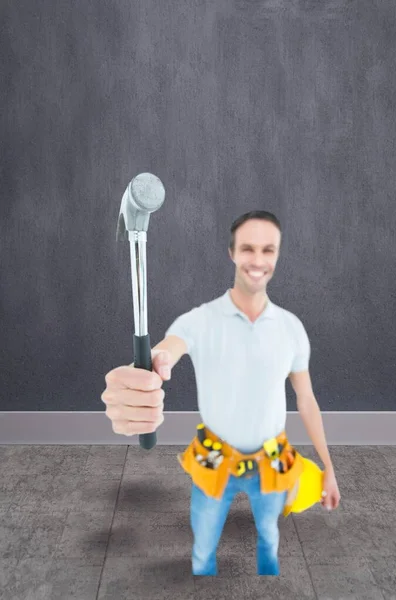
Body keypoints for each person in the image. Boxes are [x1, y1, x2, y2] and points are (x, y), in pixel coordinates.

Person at [101, 210, 341, 576]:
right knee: (203, 547)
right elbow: (169, 348)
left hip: (274, 458)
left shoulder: (291, 329)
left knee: (281, 517)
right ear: (232, 252)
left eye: (268, 250)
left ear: (277, 255)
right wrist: (151, 367)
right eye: (248, 248)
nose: (258, 260)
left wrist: (330, 468)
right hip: (215, 457)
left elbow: (306, 400)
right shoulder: (199, 321)